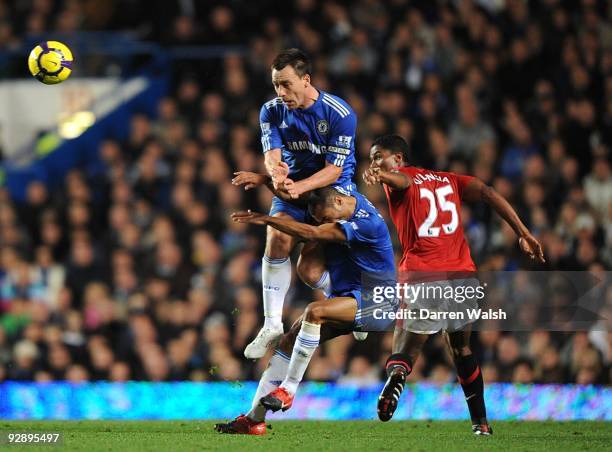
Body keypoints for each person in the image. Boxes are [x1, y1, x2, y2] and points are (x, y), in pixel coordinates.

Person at [363, 135, 545, 436]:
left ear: (398, 158)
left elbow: (402, 182)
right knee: (461, 349)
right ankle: (481, 423)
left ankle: (397, 377)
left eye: (378, 156)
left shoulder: (401, 177)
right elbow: (487, 192)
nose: (374, 163)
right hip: (462, 277)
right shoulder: (448, 180)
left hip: (423, 275)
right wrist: (522, 232)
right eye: (372, 159)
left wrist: (382, 175)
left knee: (405, 346)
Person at [215, 187, 397, 435]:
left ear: (339, 201)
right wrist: (265, 180)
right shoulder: (346, 198)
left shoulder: (369, 224)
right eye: (320, 219)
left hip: (378, 301)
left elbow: (312, 230)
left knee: (314, 310)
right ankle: (253, 419)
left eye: (325, 217)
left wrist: (269, 219)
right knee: (290, 339)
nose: (323, 223)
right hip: (351, 294)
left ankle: (288, 389)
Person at [244, 48, 358, 359]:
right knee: (276, 236)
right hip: (296, 190)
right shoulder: (271, 110)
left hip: (333, 194)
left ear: (305, 80)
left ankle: (356, 300)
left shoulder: (340, 114)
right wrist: (275, 171)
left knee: (309, 270)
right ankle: (271, 325)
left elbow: (335, 168)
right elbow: (272, 154)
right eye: (276, 85)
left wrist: (300, 187)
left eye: (286, 84)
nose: (281, 92)